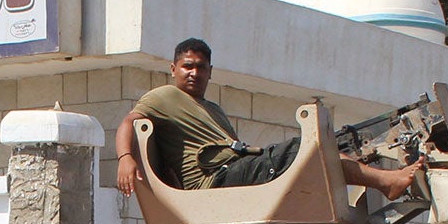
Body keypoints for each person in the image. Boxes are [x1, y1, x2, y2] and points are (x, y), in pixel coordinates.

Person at [114, 37, 425, 199]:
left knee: (326, 145)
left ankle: (387, 180)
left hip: (233, 170)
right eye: (187, 66)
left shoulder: (214, 108)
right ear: (173, 69)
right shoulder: (162, 97)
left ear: (210, 71)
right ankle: (386, 182)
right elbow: (129, 122)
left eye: (201, 67)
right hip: (214, 182)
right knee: (306, 148)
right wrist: (126, 157)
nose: (194, 73)